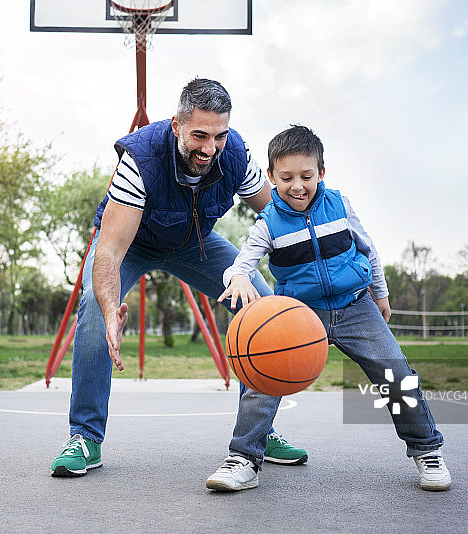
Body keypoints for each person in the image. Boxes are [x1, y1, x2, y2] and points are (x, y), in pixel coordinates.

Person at [50, 78, 306, 488]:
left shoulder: (235, 155)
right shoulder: (140, 160)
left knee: (263, 306)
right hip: (133, 244)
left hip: (193, 244)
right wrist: (110, 308)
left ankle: (259, 432)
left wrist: (326, 264)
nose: (210, 148)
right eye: (199, 136)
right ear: (177, 126)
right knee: (96, 313)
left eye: (219, 136)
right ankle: (85, 438)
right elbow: (110, 251)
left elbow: (279, 215)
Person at [217, 124, 451, 491]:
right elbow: (241, 263)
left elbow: (368, 248)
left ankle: (427, 450)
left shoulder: (339, 206)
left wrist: (380, 293)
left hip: (355, 305)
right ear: (271, 177)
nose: (297, 186)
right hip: (300, 315)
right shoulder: (268, 223)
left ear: (321, 172)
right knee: (261, 379)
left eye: (306, 176)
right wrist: (239, 278)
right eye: (287, 177)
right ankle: (243, 459)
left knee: (397, 376)